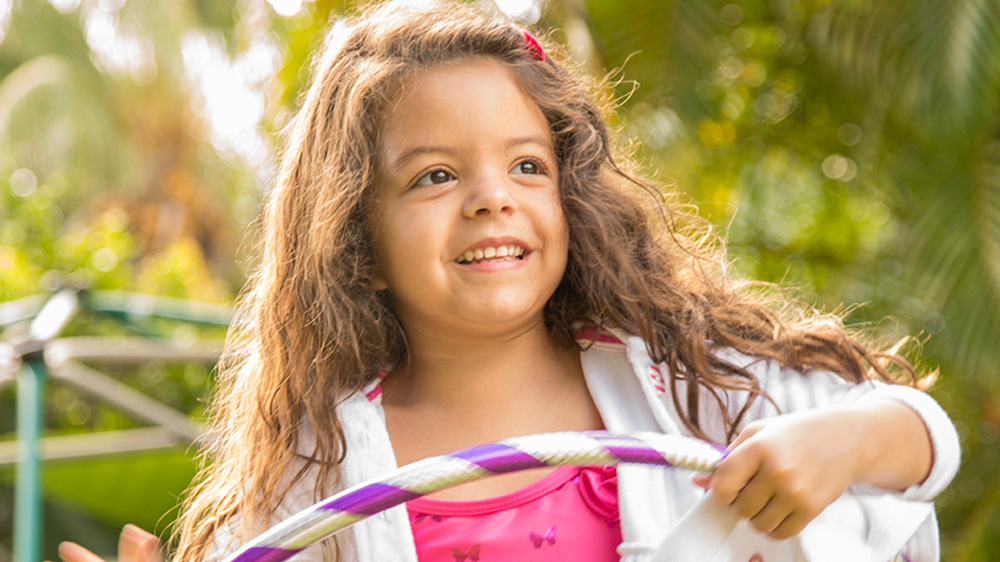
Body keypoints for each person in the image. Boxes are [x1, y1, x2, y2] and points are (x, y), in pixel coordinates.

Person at [57, 1, 960, 561]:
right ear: (355, 230)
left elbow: (922, 438)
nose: (493, 200)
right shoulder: (313, 470)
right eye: (435, 176)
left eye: (527, 166)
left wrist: (843, 440)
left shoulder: (688, 385)